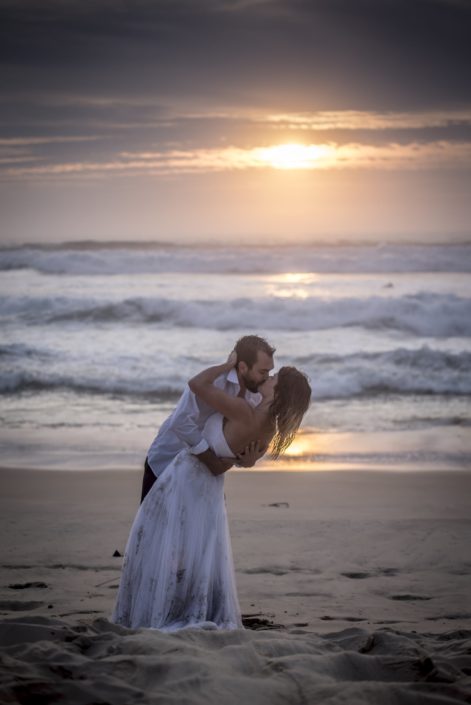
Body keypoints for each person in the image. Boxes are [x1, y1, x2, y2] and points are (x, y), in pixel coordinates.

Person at [111, 347, 311, 632]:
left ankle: (157, 610)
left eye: (274, 377)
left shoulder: (244, 411)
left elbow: (196, 385)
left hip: (187, 476)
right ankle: (189, 605)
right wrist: (243, 463)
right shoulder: (269, 429)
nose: (269, 377)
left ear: (279, 393)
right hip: (211, 485)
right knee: (198, 552)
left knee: (159, 544)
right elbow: (242, 456)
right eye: (267, 371)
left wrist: (225, 364)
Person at [140, 335, 276, 502]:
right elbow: (180, 422)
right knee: (151, 526)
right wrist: (212, 462)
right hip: (167, 460)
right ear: (242, 367)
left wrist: (246, 460)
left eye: (269, 371)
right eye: (263, 371)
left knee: (204, 527)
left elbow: (235, 443)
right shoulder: (214, 381)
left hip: (205, 474)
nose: (267, 377)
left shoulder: (255, 398)